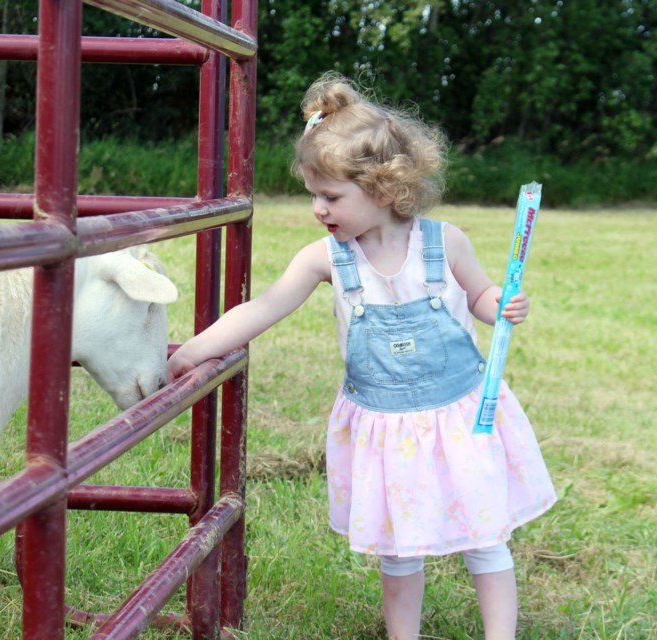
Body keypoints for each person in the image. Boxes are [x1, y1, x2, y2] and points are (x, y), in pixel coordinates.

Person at [167, 72, 557, 640]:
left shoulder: (444, 243)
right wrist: (193, 351)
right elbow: (265, 308)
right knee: (398, 548)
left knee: (485, 536)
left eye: (331, 197)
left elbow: (479, 296)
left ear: (382, 187)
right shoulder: (324, 257)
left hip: (459, 416)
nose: (318, 210)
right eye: (313, 196)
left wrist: (503, 305)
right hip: (385, 426)